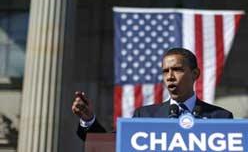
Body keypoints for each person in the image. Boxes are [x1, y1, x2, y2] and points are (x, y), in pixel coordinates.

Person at [72, 47, 233, 141]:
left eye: (177, 70)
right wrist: (88, 120)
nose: (169, 76)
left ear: (195, 74)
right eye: (165, 71)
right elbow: (111, 144)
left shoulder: (221, 117)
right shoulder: (145, 115)